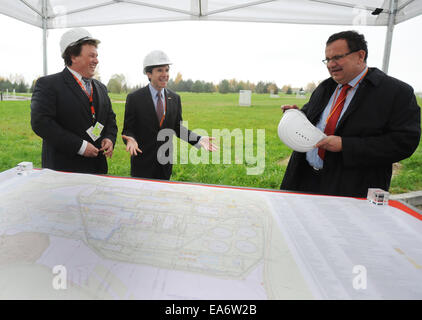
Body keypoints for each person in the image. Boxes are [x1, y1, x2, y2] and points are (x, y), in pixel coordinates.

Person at [280, 30, 421, 197]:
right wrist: (297, 116)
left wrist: (345, 146)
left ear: (360, 56)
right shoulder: (325, 87)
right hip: (304, 179)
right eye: (328, 59)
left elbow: (404, 143)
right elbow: (313, 117)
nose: (331, 64)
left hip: (351, 188)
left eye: (338, 57)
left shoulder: (396, 92)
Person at [31, 28, 117, 174]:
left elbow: (109, 118)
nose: (96, 60)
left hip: (98, 170)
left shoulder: (101, 87)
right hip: (64, 171)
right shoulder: (48, 85)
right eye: (91, 56)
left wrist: (109, 138)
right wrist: (80, 146)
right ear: (73, 56)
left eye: (96, 56)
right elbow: (41, 123)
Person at [122, 50, 217, 180]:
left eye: (167, 70)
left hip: (164, 166)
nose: (165, 74)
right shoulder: (134, 98)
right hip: (142, 165)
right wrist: (130, 140)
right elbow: (128, 130)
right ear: (149, 74)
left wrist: (198, 139)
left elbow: (178, 129)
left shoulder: (175, 98)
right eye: (160, 70)